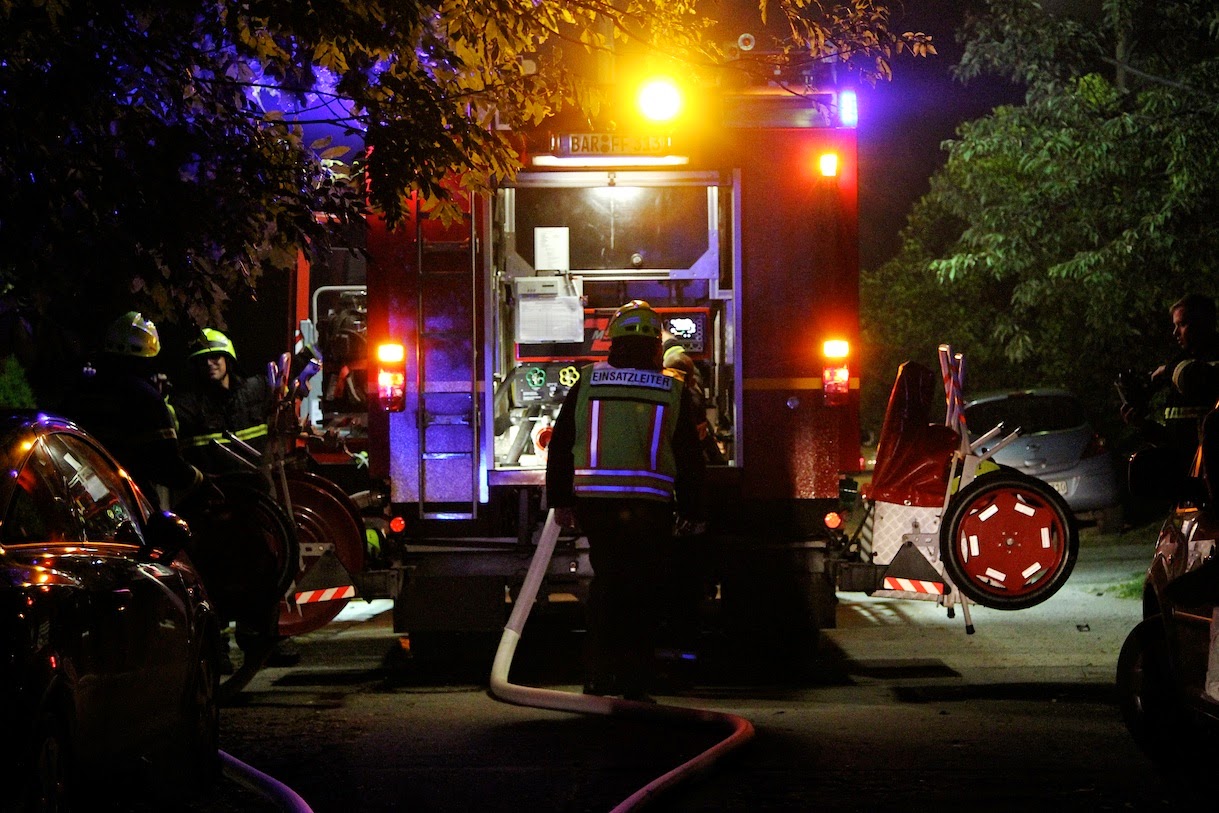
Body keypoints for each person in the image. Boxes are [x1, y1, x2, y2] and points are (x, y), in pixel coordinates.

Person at [546, 300, 706, 702]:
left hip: (596, 506)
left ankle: (599, 675)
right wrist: (692, 509)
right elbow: (689, 455)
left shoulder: (587, 382)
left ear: (612, 343)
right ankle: (636, 677)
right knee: (643, 592)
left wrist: (561, 500)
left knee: (608, 586)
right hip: (649, 507)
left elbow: (561, 444)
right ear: (656, 348)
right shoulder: (673, 389)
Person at [65, 311, 204, 508]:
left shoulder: (82, 390)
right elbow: (165, 465)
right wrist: (201, 481)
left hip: (85, 497)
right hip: (131, 500)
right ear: (149, 355)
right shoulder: (145, 398)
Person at [1120, 293, 1219, 463]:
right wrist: (1143, 425)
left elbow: (1199, 381)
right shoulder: (1181, 365)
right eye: (1175, 326)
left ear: (1204, 323)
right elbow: (1173, 440)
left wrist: (1167, 371)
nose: (1175, 333)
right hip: (1190, 471)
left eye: (1182, 324)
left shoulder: (1197, 367)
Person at [173, 328, 276, 474]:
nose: (209, 363)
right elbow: (164, 420)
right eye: (203, 360)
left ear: (227, 359)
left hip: (257, 488)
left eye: (215, 357)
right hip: (215, 491)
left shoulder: (256, 390)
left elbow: (287, 380)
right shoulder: (188, 406)